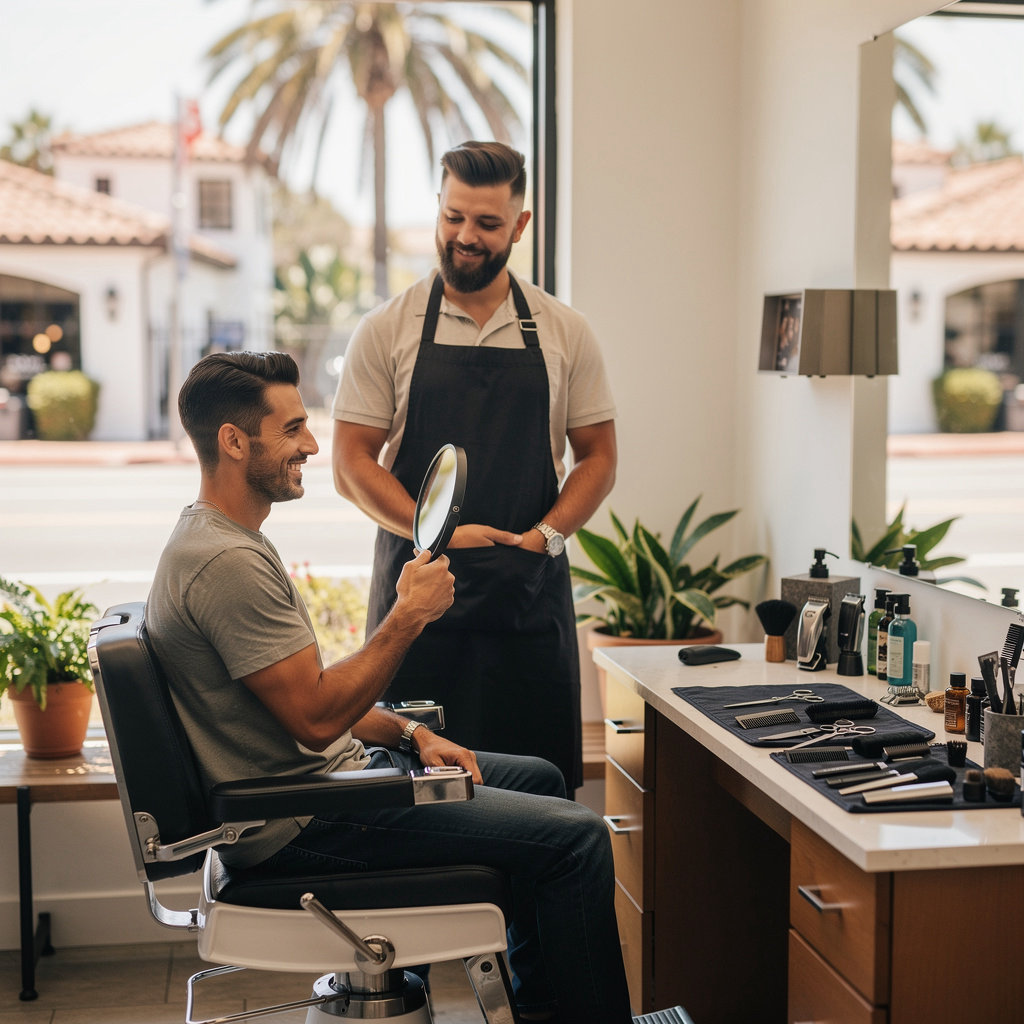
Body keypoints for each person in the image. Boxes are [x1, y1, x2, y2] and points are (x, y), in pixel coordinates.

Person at [145, 351, 634, 1024]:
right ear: (234, 441)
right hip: (304, 822)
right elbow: (316, 720)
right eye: (292, 430)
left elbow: (310, 697)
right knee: (578, 838)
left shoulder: (223, 539)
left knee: (543, 779)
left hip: (326, 788)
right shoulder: (225, 562)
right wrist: (408, 617)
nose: (313, 445)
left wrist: (412, 734)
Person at [332, 141, 617, 792]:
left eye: (487, 224)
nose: (465, 236)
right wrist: (439, 535)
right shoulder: (387, 328)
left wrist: (546, 536)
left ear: (519, 226)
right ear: (438, 208)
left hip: (526, 596)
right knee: (420, 803)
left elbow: (598, 455)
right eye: (453, 216)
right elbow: (350, 464)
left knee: (538, 793)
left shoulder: (563, 331)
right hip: (418, 604)